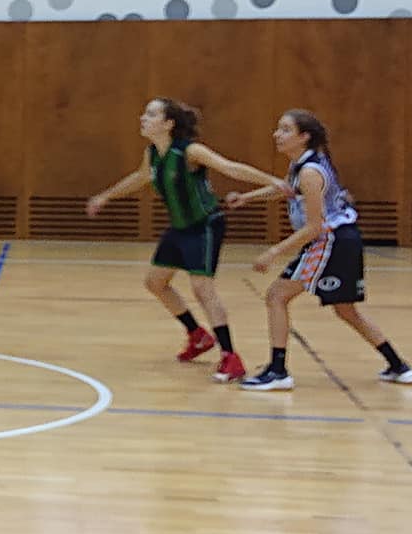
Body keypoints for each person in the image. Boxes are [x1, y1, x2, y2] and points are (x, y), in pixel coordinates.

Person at [86, 98, 290, 382]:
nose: (142, 117)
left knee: (201, 287)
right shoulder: (153, 154)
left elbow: (229, 167)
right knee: (155, 282)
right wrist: (106, 195)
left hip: (204, 225)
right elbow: (140, 177)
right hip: (180, 228)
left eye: (151, 114)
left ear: (168, 124)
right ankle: (197, 336)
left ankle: (231, 357)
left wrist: (271, 181)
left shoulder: (190, 151)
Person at [228, 110, 412, 391]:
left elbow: (314, 227)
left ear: (304, 137)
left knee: (276, 296)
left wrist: (273, 252)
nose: (276, 134)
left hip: (330, 241)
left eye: (285, 130)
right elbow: (286, 190)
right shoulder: (303, 165)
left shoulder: (309, 172)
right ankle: (398, 366)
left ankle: (278, 371)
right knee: (345, 310)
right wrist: (247, 198)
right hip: (341, 240)